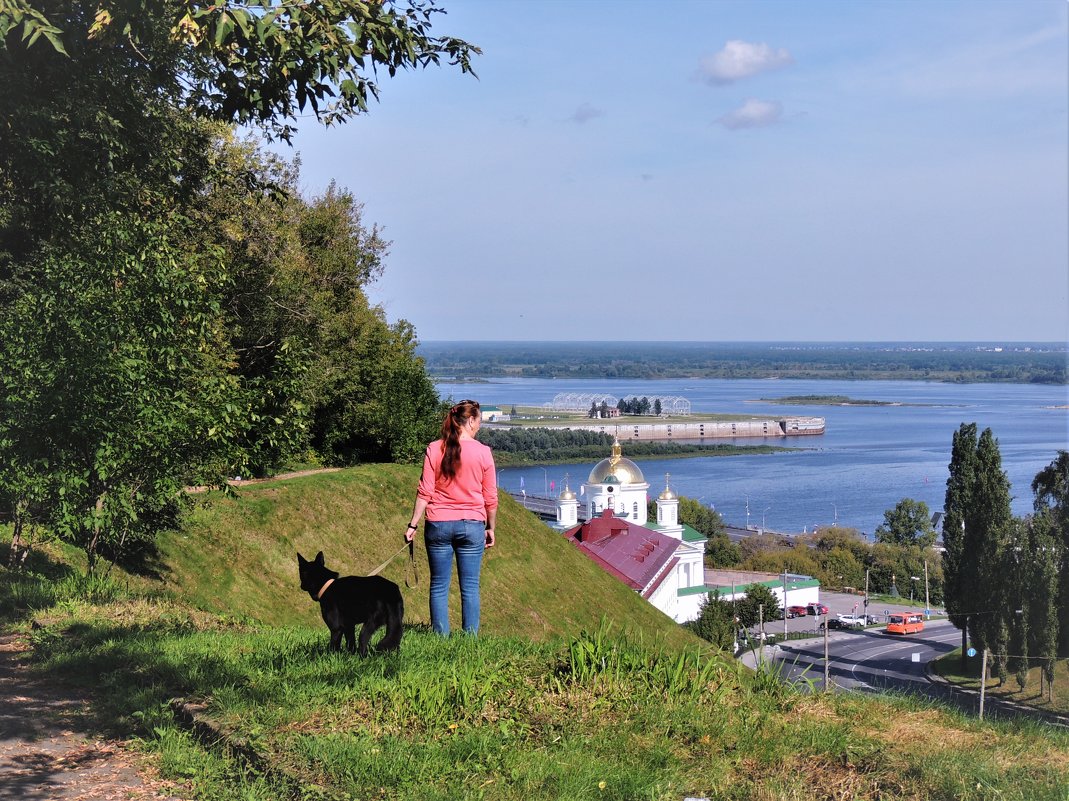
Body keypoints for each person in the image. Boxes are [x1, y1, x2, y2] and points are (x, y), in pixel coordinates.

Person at [404, 399, 497, 635]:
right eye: (479, 421)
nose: (479, 426)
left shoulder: (434, 449)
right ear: (471, 421)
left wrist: (413, 524)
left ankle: (440, 638)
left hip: (438, 523)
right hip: (472, 524)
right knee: (470, 587)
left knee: (438, 586)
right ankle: (469, 640)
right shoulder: (483, 452)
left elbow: (425, 491)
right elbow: (490, 497)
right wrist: (490, 527)